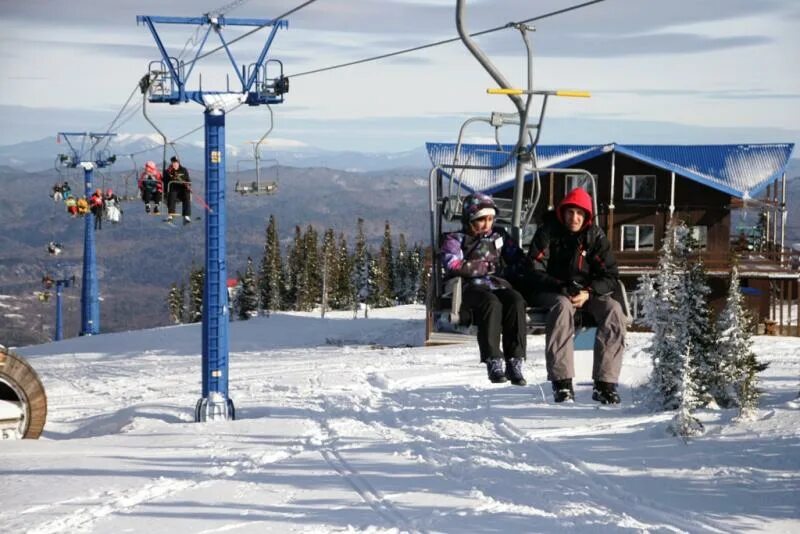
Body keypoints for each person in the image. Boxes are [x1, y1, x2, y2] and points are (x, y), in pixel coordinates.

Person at [517, 187, 626, 404]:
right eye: (570, 212)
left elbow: (610, 275)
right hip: (553, 290)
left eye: (579, 214)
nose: (574, 218)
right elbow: (534, 268)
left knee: (614, 311)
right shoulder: (548, 233)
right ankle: (562, 383)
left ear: (586, 216)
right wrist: (561, 286)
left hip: (587, 292)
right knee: (562, 307)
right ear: (562, 213)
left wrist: (589, 291)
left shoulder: (594, 237)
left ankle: (606, 384)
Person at [440, 192, 529, 385]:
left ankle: (515, 360)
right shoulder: (456, 239)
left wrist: (511, 269)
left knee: (515, 300)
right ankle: (493, 359)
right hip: (469, 288)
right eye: (481, 220)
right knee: (491, 303)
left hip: (497, 284)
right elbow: (453, 264)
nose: (486, 224)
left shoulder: (500, 236)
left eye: (490, 219)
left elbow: (519, 259)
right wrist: (485, 267)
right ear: (470, 219)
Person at [164, 156, 192, 224]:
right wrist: (170, 175)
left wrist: (188, 185)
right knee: (172, 196)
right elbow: (165, 180)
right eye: (173, 162)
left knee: (187, 196)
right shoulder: (168, 171)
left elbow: (188, 180)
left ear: (178, 163)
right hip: (173, 188)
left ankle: (186, 215)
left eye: (176, 162)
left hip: (182, 189)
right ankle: (171, 214)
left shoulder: (183, 170)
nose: (175, 164)